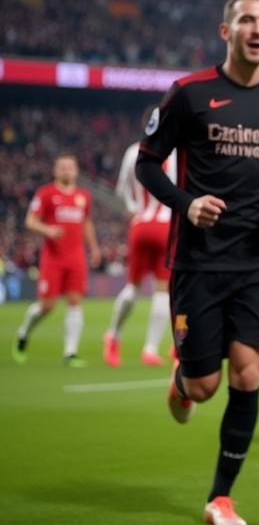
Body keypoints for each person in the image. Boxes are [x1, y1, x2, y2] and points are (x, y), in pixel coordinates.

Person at [136, 0, 259, 525]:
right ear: (226, 31)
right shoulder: (188, 94)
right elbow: (148, 165)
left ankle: (221, 497)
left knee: (247, 373)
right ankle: (184, 377)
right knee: (205, 385)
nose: (258, 30)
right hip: (199, 261)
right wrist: (186, 205)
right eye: (247, 21)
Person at [13, 153, 101, 366]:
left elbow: (87, 222)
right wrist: (48, 230)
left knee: (75, 302)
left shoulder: (83, 196)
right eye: (62, 167)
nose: (66, 171)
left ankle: (70, 353)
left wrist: (95, 248)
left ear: (76, 170)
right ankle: (24, 331)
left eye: (70, 167)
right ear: (55, 171)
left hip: (76, 257)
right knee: (47, 306)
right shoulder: (46, 194)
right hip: (52, 258)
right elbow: (30, 221)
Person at [104, 110, 177, 367]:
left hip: (139, 225)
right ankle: (150, 349)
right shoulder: (176, 153)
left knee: (133, 286)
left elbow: (121, 190)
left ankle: (112, 336)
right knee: (162, 289)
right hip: (166, 226)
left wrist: (134, 209)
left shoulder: (133, 151)